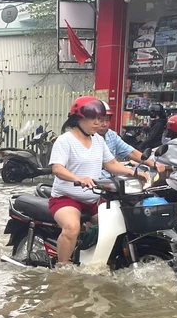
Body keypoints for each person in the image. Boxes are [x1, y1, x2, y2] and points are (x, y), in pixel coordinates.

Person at [49, 97, 148, 266]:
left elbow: (111, 164)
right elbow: (57, 169)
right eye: (93, 119)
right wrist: (78, 178)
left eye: (101, 119)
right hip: (66, 198)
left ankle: (95, 260)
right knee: (72, 228)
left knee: (116, 228)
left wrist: (133, 172)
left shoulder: (98, 140)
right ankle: (61, 269)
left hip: (93, 199)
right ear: (78, 118)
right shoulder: (65, 140)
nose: (98, 123)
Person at [96, 103, 160, 169]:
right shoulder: (88, 138)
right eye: (101, 120)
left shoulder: (111, 135)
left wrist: (154, 164)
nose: (104, 124)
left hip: (110, 177)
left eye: (107, 120)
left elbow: (131, 152)